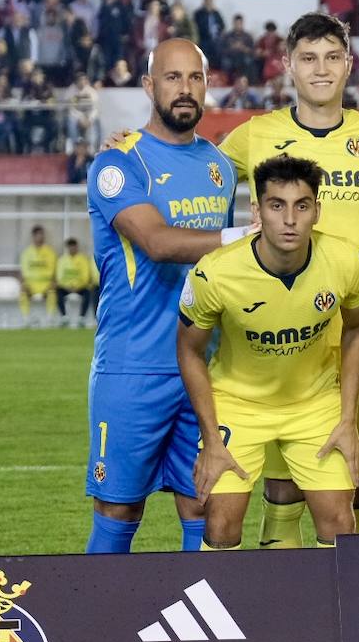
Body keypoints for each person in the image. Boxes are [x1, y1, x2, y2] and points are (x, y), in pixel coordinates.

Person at [216, 13, 359, 547]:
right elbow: (191, 171)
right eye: (308, 58)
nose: (321, 69)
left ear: (348, 64)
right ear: (288, 65)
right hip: (278, 334)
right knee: (283, 489)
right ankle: (284, 596)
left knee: (358, 482)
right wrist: (133, 145)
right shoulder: (257, 135)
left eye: (331, 57)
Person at [83, 38, 246, 555]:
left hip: (201, 366)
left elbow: (218, 265)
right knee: (119, 508)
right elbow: (156, 243)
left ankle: (195, 611)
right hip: (133, 366)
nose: (185, 89)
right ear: (149, 86)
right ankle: (95, 609)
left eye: (195, 78)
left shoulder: (221, 166)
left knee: (202, 503)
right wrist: (247, 237)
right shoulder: (118, 163)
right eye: (173, 78)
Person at [177, 155, 359, 549]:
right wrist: (211, 439)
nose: (290, 219)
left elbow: (357, 329)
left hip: (313, 403)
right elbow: (189, 350)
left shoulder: (347, 261)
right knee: (221, 523)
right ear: (257, 211)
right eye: (277, 205)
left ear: (317, 210)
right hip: (238, 404)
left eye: (302, 206)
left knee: (340, 522)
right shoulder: (215, 272)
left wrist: (348, 419)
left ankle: (324, 594)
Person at [19, 225, 58, 325]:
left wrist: (52, 283)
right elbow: (23, 272)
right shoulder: (26, 253)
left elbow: (54, 272)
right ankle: (26, 319)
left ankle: (50, 319)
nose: (40, 237)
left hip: (46, 283)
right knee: (23, 292)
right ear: (33, 236)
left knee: (52, 292)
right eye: (38, 235)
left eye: (42, 234)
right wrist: (24, 284)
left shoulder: (50, 252)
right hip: (31, 283)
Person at [55, 236, 98, 326]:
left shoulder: (83, 259)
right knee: (57, 291)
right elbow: (59, 277)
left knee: (88, 292)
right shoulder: (62, 260)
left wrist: (78, 286)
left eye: (73, 246)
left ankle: (81, 317)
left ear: (76, 247)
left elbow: (86, 276)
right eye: (70, 247)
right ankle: (64, 317)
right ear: (67, 248)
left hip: (80, 287)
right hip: (66, 288)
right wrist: (67, 286)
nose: (72, 249)